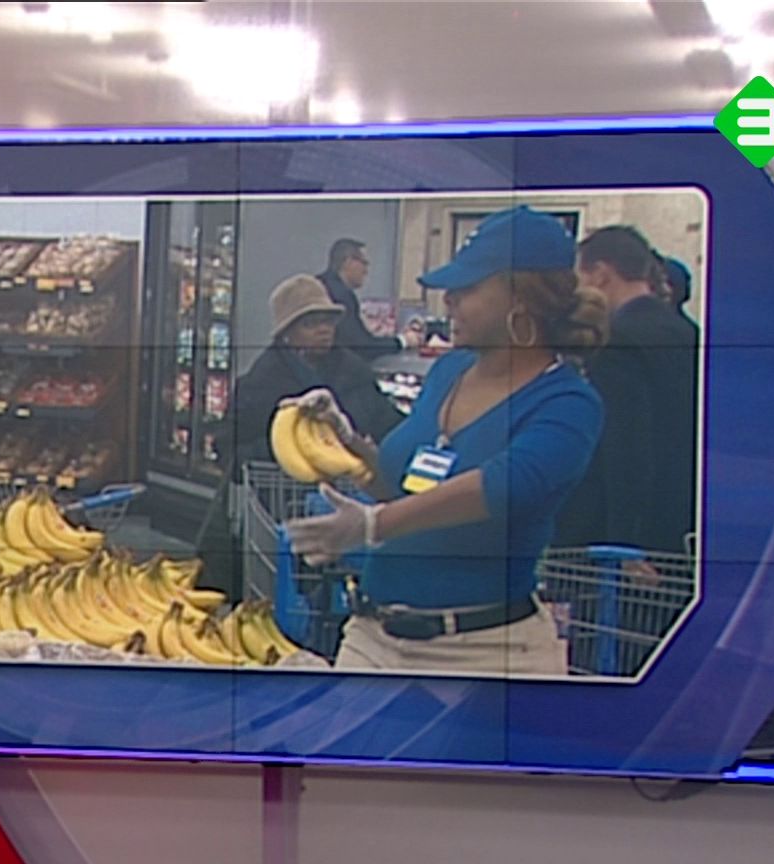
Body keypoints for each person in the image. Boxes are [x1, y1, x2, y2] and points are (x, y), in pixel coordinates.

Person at [282, 206, 607, 675]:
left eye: (467, 287)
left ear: (521, 298)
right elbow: (406, 487)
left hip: (484, 656)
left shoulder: (568, 403)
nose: (448, 299)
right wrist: (347, 441)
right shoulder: (449, 371)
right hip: (373, 639)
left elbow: (503, 486)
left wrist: (373, 525)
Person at [554, 225, 700, 556]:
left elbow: (626, 448)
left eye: (579, 277)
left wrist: (624, 543)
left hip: (632, 532)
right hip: (683, 517)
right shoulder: (688, 332)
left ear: (600, 274)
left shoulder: (616, 342)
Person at [231, 273, 404, 480]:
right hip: (283, 492)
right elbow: (232, 452)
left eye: (329, 322)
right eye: (310, 324)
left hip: (355, 487)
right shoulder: (259, 383)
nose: (324, 330)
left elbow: (388, 424)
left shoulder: (355, 372)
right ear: (287, 333)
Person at [318, 238, 408, 357]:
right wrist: (403, 341)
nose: (366, 271)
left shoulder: (320, 284)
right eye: (364, 263)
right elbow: (362, 347)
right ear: (348, 262)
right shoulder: (342, 296)